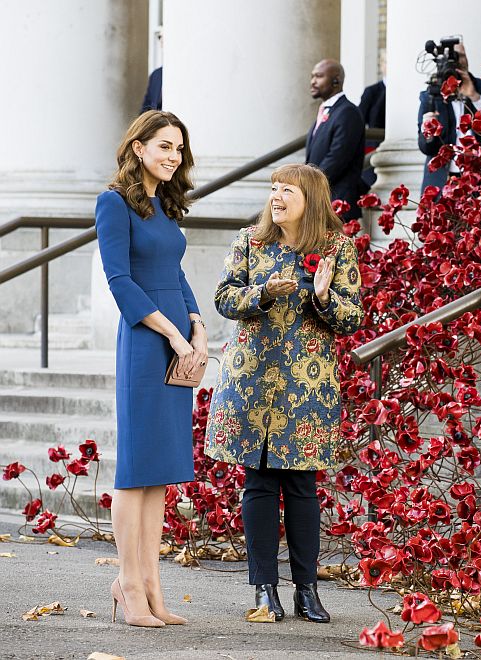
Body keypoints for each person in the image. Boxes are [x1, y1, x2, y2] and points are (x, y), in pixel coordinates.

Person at [205, 163, 365, 623]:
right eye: (273, 188)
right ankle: (263, 590)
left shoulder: (335, 247)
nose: (276, 196)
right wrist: (262, 293)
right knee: (257, 483)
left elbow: (352, 317)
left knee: (301, 486)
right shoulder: (249, 241)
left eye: (287, 190)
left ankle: (307, 591)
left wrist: (322, 294)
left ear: (310, 198)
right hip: (252, 379)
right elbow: (223, 297)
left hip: (306, 385)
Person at [95, 110, 208, 627]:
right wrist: (170, 331)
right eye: (164, 146)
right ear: (137, 147)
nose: (172, 156)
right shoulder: (113, 203)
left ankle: (154, 584)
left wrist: (198, 324)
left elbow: (175, 272)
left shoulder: (165, 204)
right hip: (145, 340)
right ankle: (128, 583)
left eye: (178, 149)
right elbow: (120, 281)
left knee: (160, 474)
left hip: (179, 338)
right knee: (136, 470)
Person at [417, 42, 481, 193]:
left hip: (480, 179)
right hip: (442, 182)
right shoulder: (431, 95)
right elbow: (426, 148)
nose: (456, 62)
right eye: (450, 58)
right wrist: (428, 131)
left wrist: (475, 97)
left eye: (460, 57)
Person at [305, 59, 366, 221]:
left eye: (318, 76)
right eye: (312, 77)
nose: (312, 82)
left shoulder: (348, 112)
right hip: (321, 201)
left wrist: (306, 183)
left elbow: (337, 157)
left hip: (338, 203)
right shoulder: (328, 110)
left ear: (336, 80)